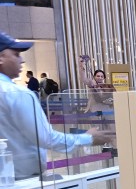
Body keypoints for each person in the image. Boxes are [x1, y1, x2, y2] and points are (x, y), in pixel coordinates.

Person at [0, 33, 113, 179]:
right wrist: (87, 138)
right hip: (23, 179)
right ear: (1, 57)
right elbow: (46, 138)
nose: (21, 60)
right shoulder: (18, 94)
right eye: (16, 54)